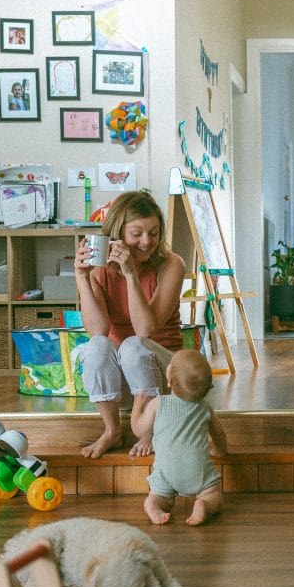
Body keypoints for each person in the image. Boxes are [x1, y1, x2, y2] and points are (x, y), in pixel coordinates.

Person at [75, 190, 185, 459]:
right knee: (97, 346)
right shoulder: (100, 268)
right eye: (137, 234)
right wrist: (82, 277)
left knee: (134, 345)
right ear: (117, 233)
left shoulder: (172, 264)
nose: (146, 241)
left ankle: (147, 430)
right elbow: (97, 330)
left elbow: (146, 330)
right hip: (119, 377)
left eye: (154, 232)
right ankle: (112, 430)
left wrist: (131, 275)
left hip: (163, 373)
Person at [132, 348, 228, 526]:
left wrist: (137, 404)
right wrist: (220, 450)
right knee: (215, 496)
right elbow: (219, 434)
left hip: (165, 473)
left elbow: (138, 430)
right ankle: (204, 504)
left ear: (169, 381)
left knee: (158, 495)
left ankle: (154, 504)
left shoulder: (157, 403)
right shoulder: (205, 407)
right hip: (198, 471)